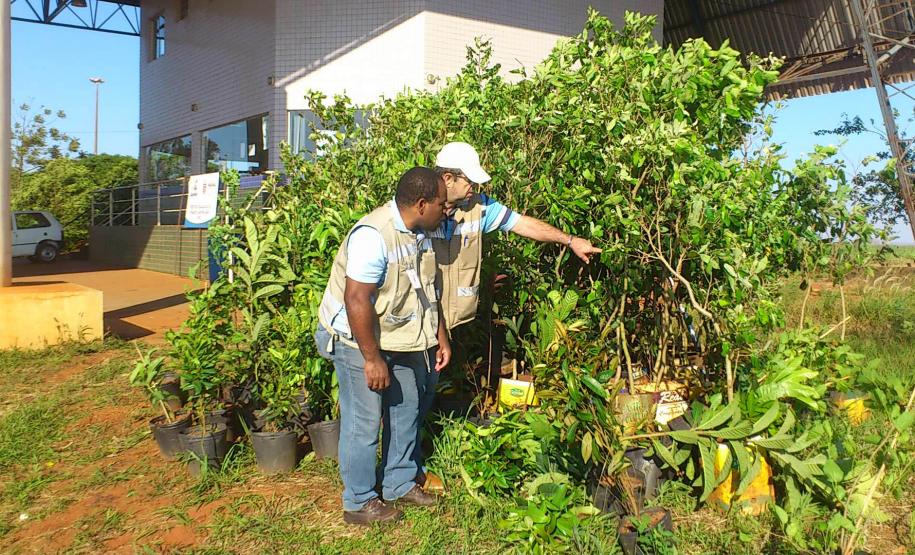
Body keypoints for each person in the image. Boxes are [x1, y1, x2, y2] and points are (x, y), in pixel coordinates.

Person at [410, 142, 603, 485]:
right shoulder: (419, 210)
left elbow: (522, 224)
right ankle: (405, 471)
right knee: (410, 395)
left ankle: (415, 464)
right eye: (469, 180)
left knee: (426, 392)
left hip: (446, 325)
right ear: (448, 178)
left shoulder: (478, 208)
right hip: (417, 320)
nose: (475, 187)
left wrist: (569, 240)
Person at [314, 167, 452, 525]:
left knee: (406, 406)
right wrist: (372, 359)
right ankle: (358, 501)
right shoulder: (373, 236)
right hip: (355, 338)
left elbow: (426, 289)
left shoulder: (420, 232)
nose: (446, 210)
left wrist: (440, 335)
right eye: (441, 204)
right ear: (421, 204)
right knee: (364, 419)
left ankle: (399, 482)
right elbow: (356, 299)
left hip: (395, 334)